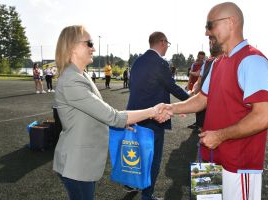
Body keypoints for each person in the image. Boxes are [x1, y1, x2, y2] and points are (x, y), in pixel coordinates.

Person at [160, 2, 268, 200]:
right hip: (210, 159)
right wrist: (171, 108)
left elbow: (263, 117)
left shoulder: (252, 60)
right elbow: (202, 99)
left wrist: (220, 136)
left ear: (231, 22)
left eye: (210, 25)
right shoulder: (218, 62)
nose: (206, 32)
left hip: (238, 168)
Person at [52, 25, 171, 200]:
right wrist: (153, 111)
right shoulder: (72, 80)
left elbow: (98, 115)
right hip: (76, 164)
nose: (93, 48)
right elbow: (112, 117)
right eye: (89, 43)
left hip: (82, 162)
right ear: (72, 47)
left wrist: (126, 124)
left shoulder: (81, 76)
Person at [126, 31, 189, 200]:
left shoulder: (137, 61)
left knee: (137, 156)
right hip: (154, 120)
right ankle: (147, 195)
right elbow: (172, 87)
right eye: (167, 44)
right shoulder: (160, 62)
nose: (167, 48)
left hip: (135, 117)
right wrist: (192, 103)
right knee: (153, 161)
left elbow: (134, 88)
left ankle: (132, 183)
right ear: (162, 42)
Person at [189, 37, 223, 133]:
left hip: (221, 109)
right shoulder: (207, 63)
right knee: (203, 132)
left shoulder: (234, 60)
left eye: (213, 41)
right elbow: (199, 81)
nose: (211, 44)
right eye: (210, 42)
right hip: (205, 103)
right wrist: (193, 91)